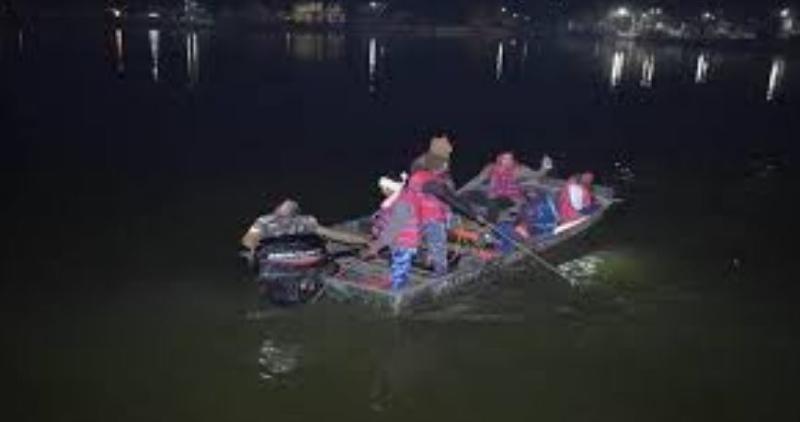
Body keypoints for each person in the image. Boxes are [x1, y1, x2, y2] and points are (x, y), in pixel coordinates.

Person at [241, 199, 367, 256]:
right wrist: (365, 241)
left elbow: (247, 242)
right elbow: (247, 240)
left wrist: (365, 241)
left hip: (290, 255)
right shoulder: (263, 221)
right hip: (283, 255)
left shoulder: (304, 222)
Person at [461, 152, 554, 222]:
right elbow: (477, 180)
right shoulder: (491, 168)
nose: (509, 161)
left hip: (510, 198)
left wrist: (545, 168)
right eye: (505, 158)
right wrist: (461, 190)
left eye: (510, 159)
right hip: (492, 195)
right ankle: (473, 217)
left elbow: (536, 174)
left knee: (493, 204)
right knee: (466, 195)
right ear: (499, 159)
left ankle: (490, 226)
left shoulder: (518, 170)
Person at [362, 184, 423, 290]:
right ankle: (392, 278)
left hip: (405, 242)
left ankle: (397, 290)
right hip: (395, 240)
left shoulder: (402, 205)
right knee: (394, 260)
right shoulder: (393, 200)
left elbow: (392, 232)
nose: (382, 190)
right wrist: (376, 229)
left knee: (400, 267)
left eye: (384, 188)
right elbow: (383, 215)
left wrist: (375, 247)